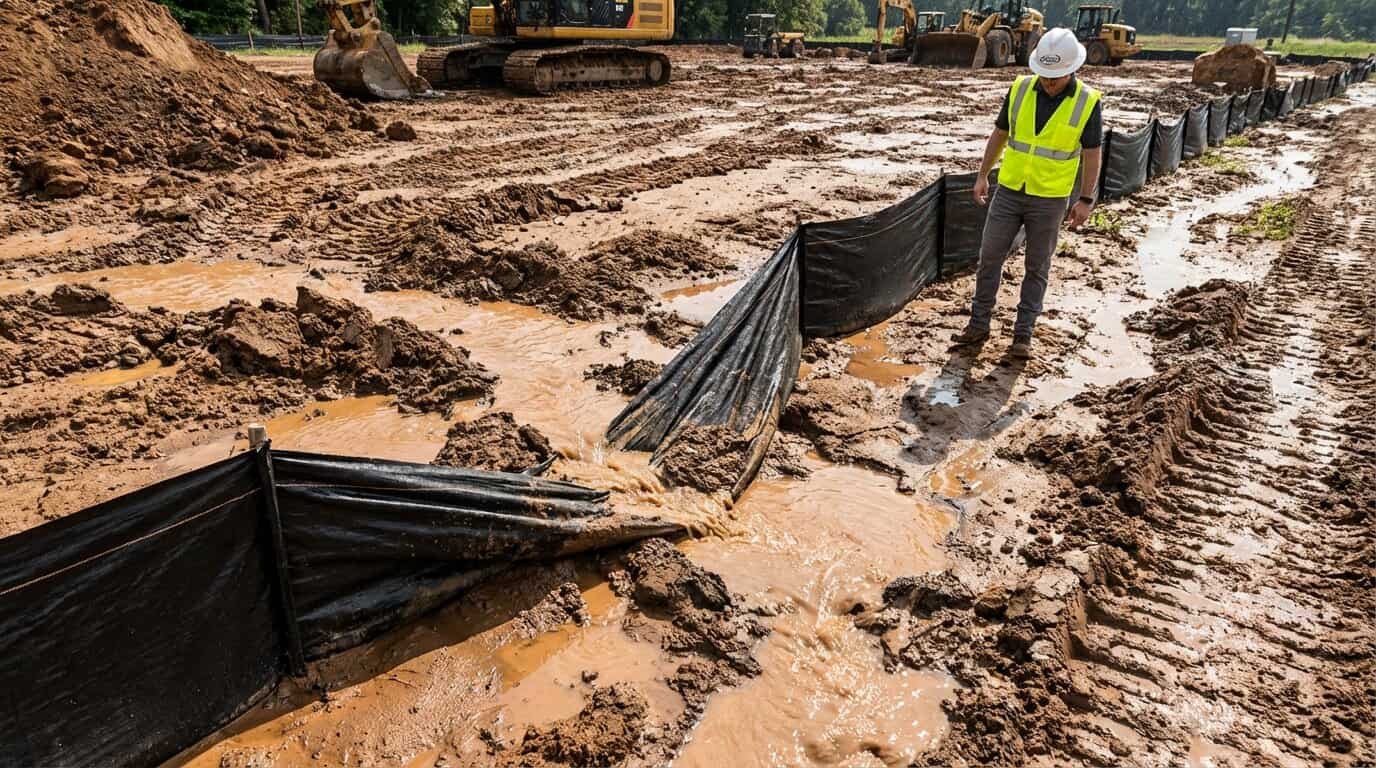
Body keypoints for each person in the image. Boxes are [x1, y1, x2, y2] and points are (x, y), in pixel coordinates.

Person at [951, 27, 1104, 359]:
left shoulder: (1087, 102)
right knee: (989, 257)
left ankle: (1023, 335)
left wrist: (1086, 198)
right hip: (1009, 190)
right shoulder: (1020, 89)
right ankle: (978, 325)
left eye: (1057, 77)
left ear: (1072, 69)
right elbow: (1000, 134)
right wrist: (982, 174)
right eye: (1046, 76)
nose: (1049, 82)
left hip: (1050, 199)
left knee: (1037, 266)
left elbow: (1092, 153)